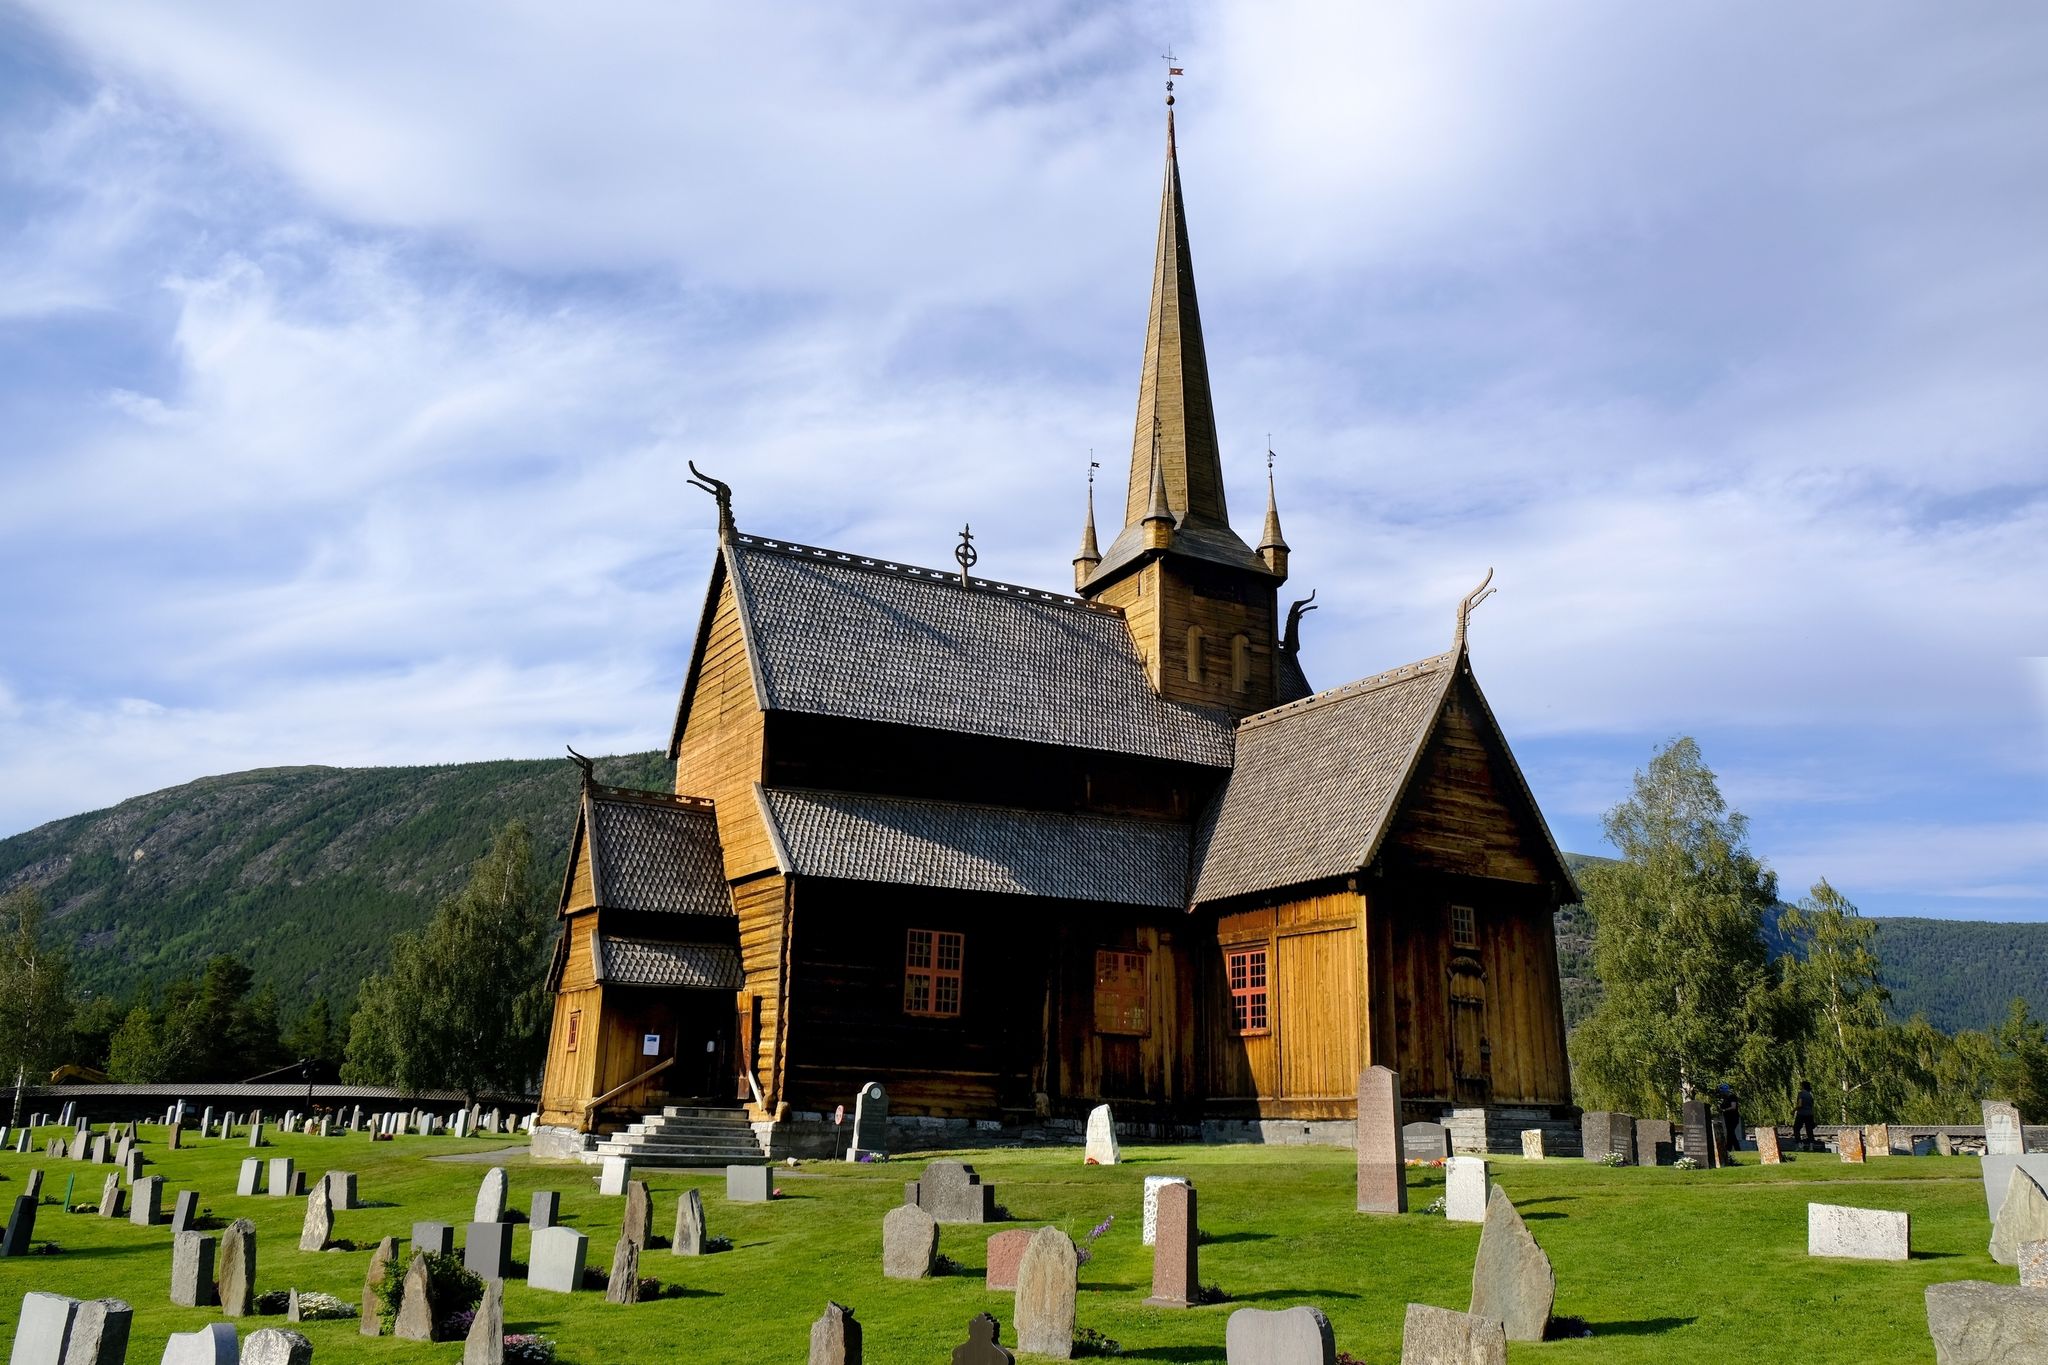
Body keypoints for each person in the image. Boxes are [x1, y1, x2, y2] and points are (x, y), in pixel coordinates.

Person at [1716, 1082, 1742, 1159]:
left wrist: (1724, 1110)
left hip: (1733, 1117)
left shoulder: (1732, 1097)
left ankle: (1730, 1148)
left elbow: (1733, 1107)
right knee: (1730, 1133)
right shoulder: (1724, 1099)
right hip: (1727, 1118)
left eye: (1722, 1091)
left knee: (1730, 1132)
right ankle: (1732, 1149)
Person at [1793, 1079, 1817, 1149]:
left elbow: (1800, 1104)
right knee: (1809, 1130)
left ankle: (1800, 1143)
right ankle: (1811, 1145)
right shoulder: (1810, 1095)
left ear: (1803, 1086)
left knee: (1796, 1128)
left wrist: (1793, 1110)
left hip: (1801, 1114)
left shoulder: (1801, 1094)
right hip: (1810, 1114)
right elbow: (1812, 1106)